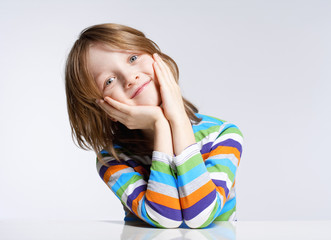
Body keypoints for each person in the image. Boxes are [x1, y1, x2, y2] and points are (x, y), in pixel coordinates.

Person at [65, 23, 243, 229]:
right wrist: (160, 124)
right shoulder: (112, 159)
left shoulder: (222, 135)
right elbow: (166, 218)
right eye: (109, 81)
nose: (129, 78)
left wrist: (177, 119)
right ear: (104, 109)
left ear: (158, 58)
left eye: (133, 58)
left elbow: (201, 215)